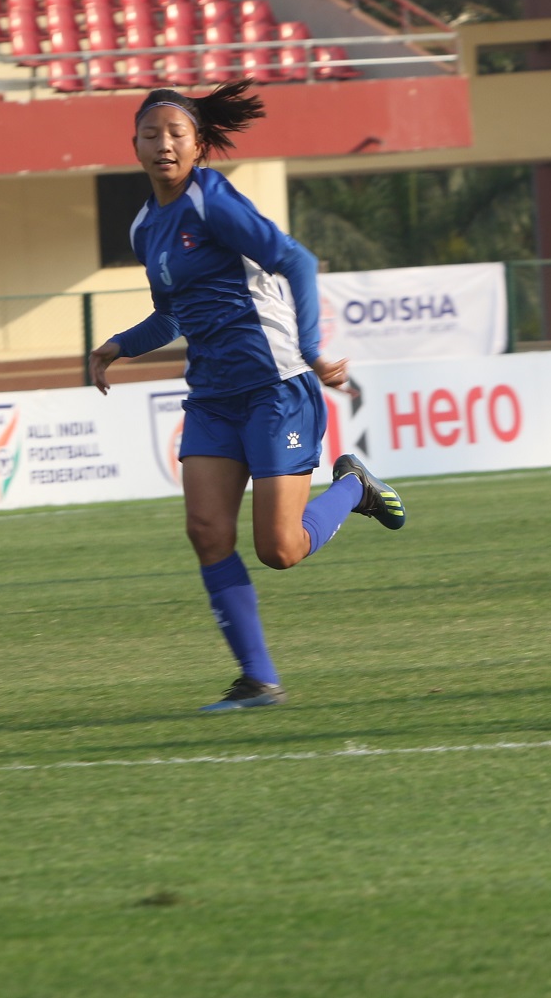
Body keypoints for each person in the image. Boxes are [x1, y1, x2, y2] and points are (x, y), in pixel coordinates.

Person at [88, 82, 407, 712]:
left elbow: (298, 260)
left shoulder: (213, 198)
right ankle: (258, 679)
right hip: (211, 395)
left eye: (176, 134)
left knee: (280, 549)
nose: (163, 145)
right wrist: (117, 346)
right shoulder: (145, 227)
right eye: (151, 135)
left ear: (198, 145)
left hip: (273, 387)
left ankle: (355, 489)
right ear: (134, 146)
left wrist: (313, 348)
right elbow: (174, 315)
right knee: (207, 531)